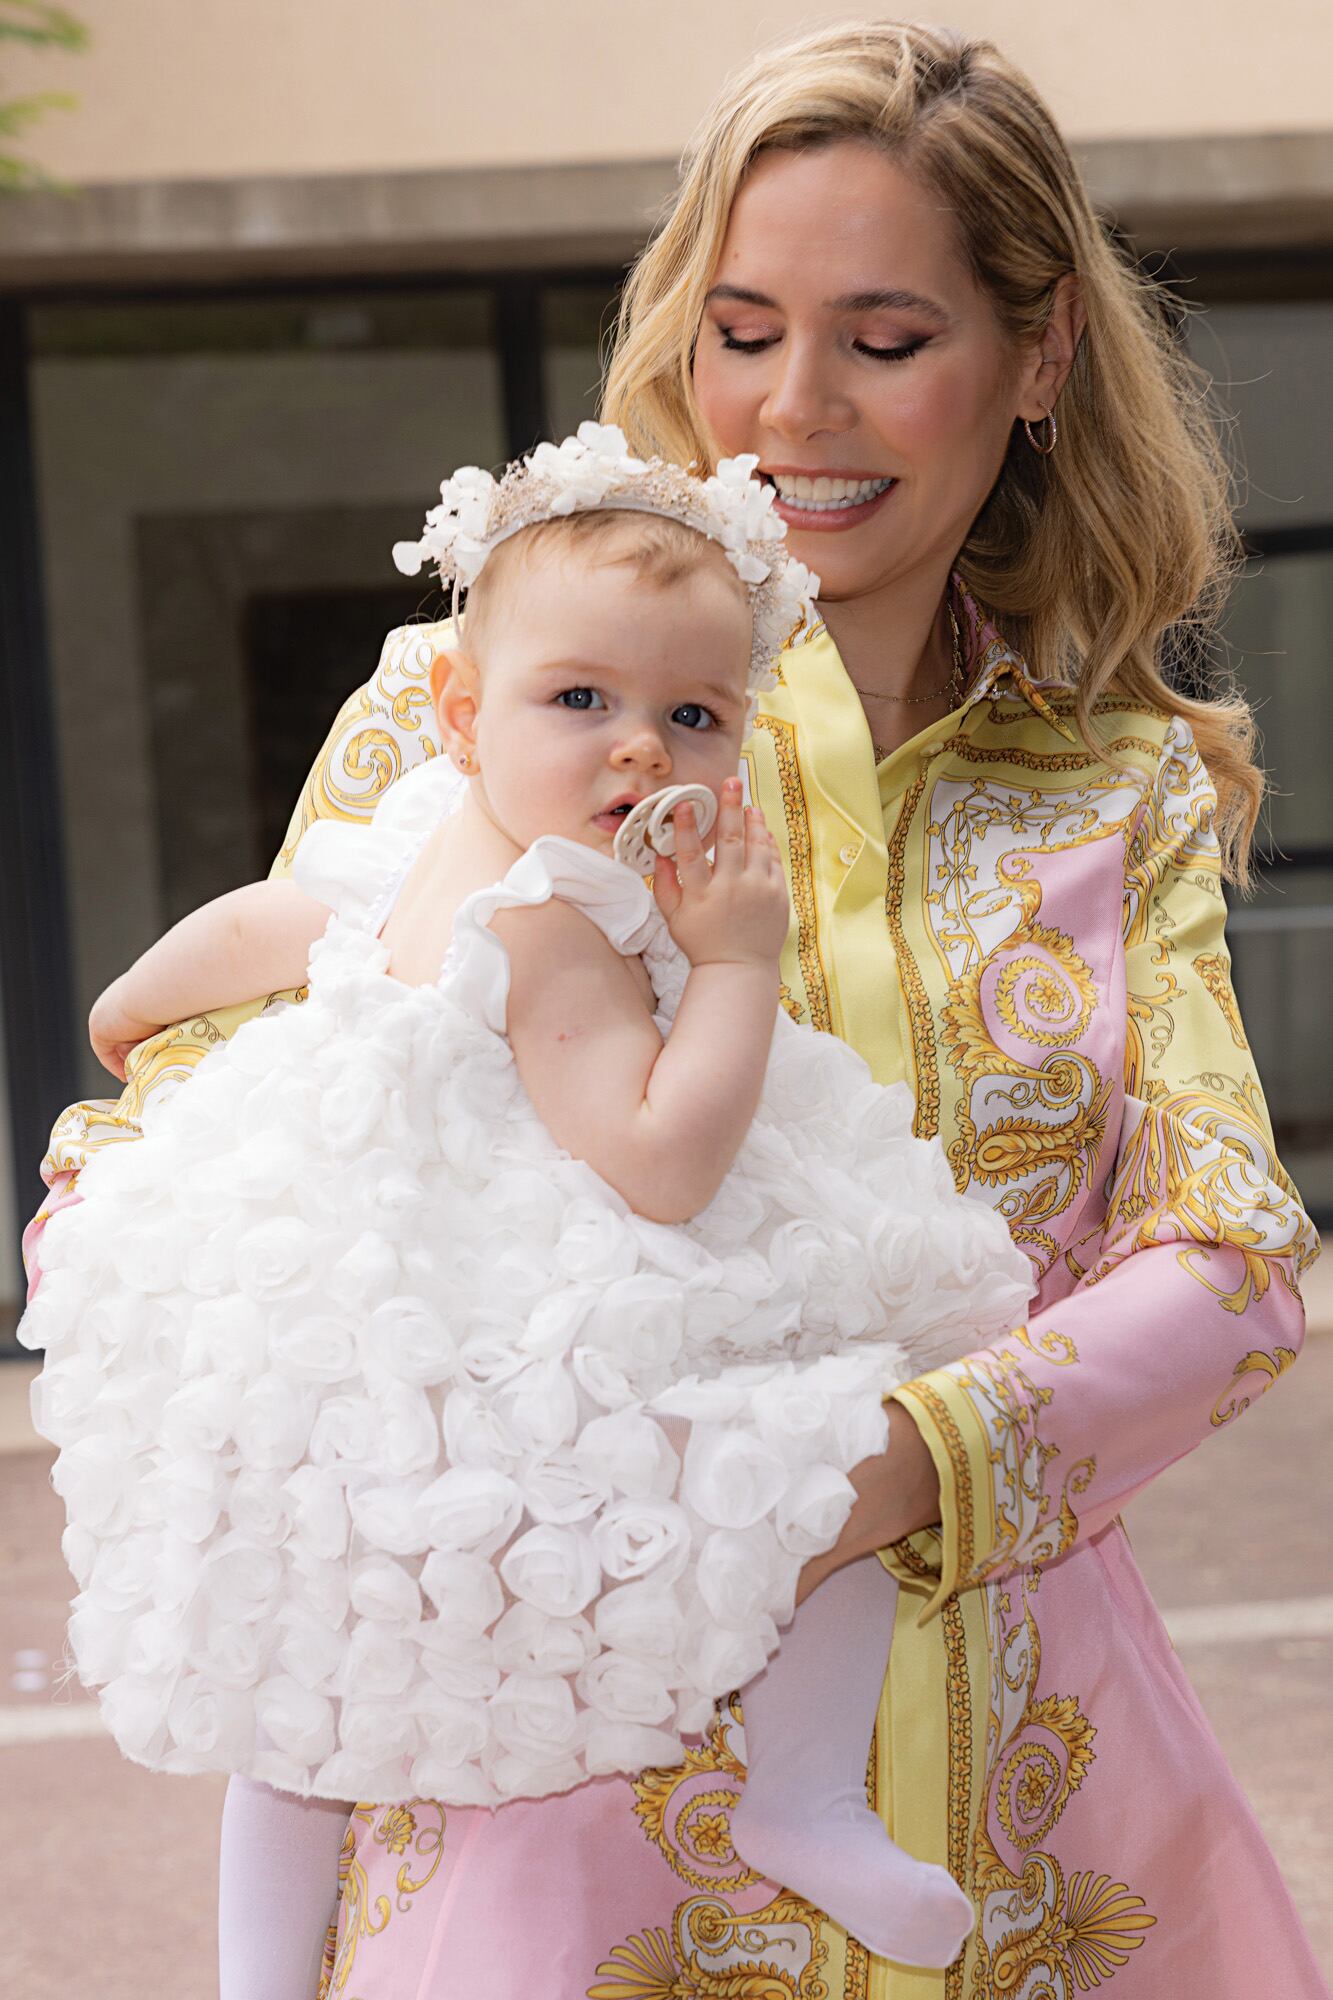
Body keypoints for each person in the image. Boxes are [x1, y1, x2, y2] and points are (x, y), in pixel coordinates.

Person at [27, 20, 1327, 2000]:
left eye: (885, 338)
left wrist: (894, 1463)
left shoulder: (1112, 786)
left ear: (1037, 352)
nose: (791, 406)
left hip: (1018, 1797)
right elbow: (204, 1107)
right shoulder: (481, 696)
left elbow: (1232, 1252)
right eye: (740, 327)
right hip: (553, 1792)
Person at [22, 432, 1033, 1985]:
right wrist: (743, 963)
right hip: (518, 1323)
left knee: (306, 1690)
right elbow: (659, 1159)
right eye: (582, 700)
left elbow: (278, 917)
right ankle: (805, 1797)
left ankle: (255, 1976)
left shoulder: (435, 833)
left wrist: (128, 1009)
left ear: (738, 735)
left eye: (688, 715)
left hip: (358, 1313)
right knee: (822, 1458)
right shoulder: (555, 917)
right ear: (459, 708)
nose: (636, 750)